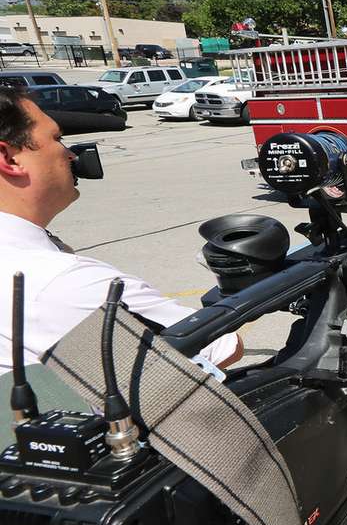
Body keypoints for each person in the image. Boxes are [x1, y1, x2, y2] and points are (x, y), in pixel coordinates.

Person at [0, 86, 242, 379]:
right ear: (9, 159)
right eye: (56, 138)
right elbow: (219, 346)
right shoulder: (63, 282)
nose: (70, 155)